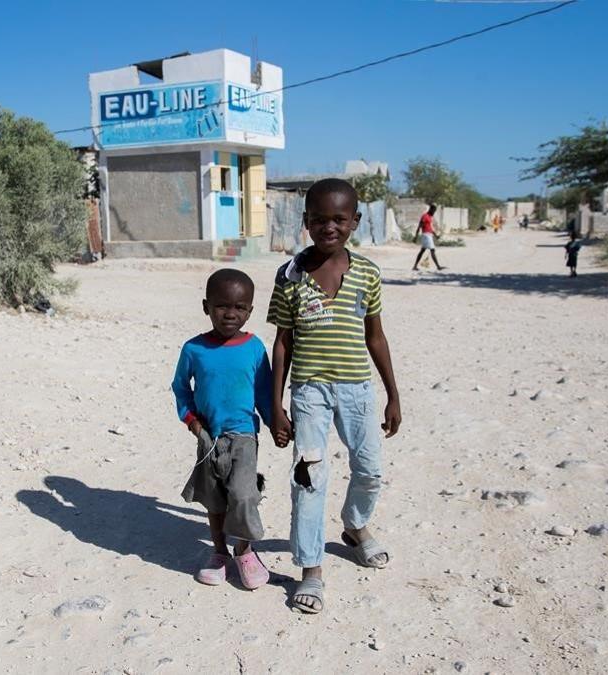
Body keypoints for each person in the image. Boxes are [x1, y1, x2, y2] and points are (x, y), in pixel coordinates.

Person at [268, 178, 402, 615]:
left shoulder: (366, 273)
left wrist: (392, 395)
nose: (329, 227)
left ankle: (356, 525)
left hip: (358, 390)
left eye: (339, 219)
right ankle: (311, 568)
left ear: (355, 222)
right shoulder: (289, 276)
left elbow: (376, 337)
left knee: (370, 469)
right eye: (320, 219)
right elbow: (283, 342)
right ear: (306, 222)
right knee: (309, 477)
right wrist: (276, 404)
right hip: (309, 392)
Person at [172, 268, 274, 590]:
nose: (231, 314)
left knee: (243, 496)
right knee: (215, 502)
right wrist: (191, 420)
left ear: (250, 311)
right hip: (209, 438)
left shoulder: (255, 348)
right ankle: (219, 554)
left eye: (240, 308)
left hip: (244, 435)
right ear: (206, 306)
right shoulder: (193, 349)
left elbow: (264, 392)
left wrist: (276, 423)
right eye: (221, 306)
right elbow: (180, 388)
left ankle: (244, 550)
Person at [411, 204, 445, 271]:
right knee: (432, 250)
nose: (434, 213)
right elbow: (420, 226)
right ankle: (438, 266)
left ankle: (414, 266)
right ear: (430, 209)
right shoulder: (425, 216)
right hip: (426, 235)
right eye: (433, 211)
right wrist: (416, 236)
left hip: (428, 235)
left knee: (422, 251)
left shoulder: (429, 217)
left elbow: (430, 228)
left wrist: (435, 235)